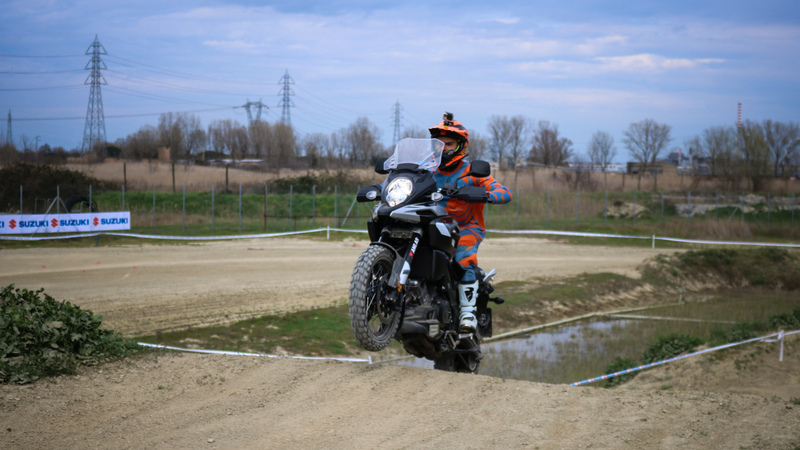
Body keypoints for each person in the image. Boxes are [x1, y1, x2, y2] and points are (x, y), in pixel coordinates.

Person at [429, 112, 512, 333]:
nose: (443, 148)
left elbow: (504, 192)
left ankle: (467, 315)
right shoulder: (426, 169)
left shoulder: (472, 172)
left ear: (460, 146)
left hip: (465, 227)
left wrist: (485, 195)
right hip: (431, 224)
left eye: (448, 143)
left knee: (464, 257)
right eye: (439, 144)